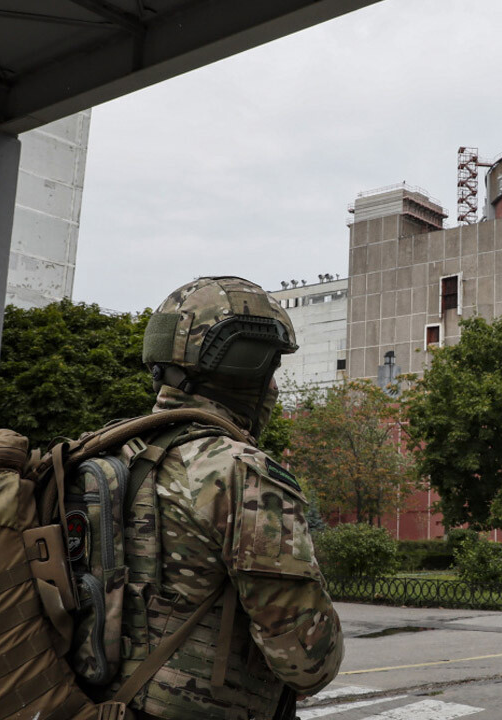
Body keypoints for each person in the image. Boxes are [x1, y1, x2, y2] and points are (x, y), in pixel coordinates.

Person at [127, 275, 343, 719]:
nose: (275, 388)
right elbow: (307, 662)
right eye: (272, 371)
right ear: (247, 365)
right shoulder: (240, 474)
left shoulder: (115, 452)